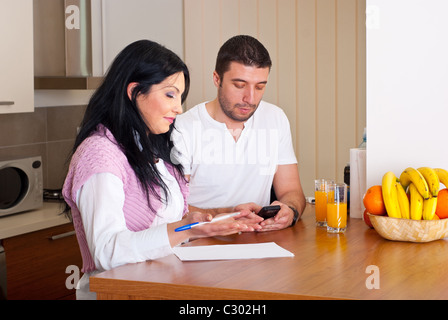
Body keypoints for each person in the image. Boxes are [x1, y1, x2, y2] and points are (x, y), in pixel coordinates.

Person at [62, 40, 251, 300]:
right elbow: (107, 252)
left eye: (180, 97)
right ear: (135, 92)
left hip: (161, 286)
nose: (179, 108)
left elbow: (169, 223)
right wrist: (188, 229)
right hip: (118, 294)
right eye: (170, 94)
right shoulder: (99, 154)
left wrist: (222, 217)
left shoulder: (151, 146)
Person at [172, 35, 306, 231]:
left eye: (260, 87)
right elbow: (171, 210)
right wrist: (229, 213)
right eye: (239, 85)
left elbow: (292, 191)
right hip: (200, 244)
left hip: (257, 242)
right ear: (217, 78)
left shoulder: (275, 118)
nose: (250, 98)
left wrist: (290, 210)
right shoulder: (183, 129)